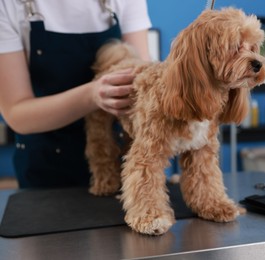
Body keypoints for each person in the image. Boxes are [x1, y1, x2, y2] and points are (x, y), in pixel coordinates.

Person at [0, 0, 152, 188]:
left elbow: (141, 82)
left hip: (123, 167)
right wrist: (92, 95)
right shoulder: (8, 5)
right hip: (46, 173)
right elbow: (16, 113)